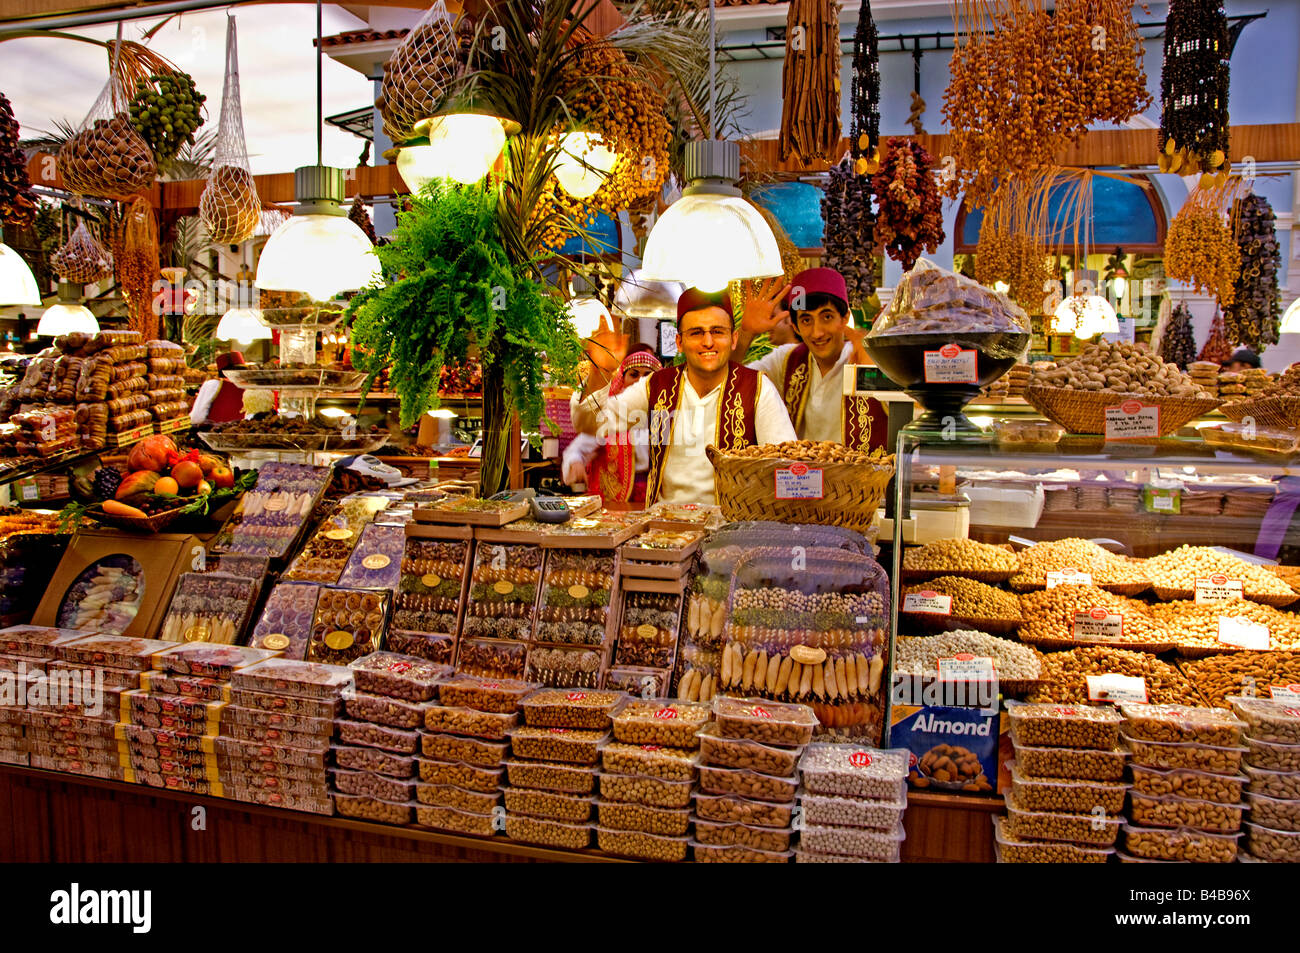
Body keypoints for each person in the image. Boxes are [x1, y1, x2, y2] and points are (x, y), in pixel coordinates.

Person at [577, 288, 797, 506]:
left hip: (732, 529)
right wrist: (601, 370)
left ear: (733, 338)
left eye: (718, 331)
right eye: (696, 333)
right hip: (666, 527)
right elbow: (590, 423)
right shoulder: (658, 385)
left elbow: (786, 463)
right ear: (679, 342)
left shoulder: (758, 388)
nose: (708, 341)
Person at [735, 267, 873, 446]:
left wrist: (878, 364)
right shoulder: (786, 360)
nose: (817, 333)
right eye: (806, 320)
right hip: (797, 473)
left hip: (860, 473)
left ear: (845, 317)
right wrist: (746, 333)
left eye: (827, 317)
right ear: (795, 325)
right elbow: (732, 382)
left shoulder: (865, 359)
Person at [562, 346, 662, 504]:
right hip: (613, 505)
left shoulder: (669, 417)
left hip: (657, 501)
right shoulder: (611, 415)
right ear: (623, 379)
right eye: (634, 375)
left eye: (648, 376)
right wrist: (575, 462)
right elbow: (576, 450)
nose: (641, 381)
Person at [190, 351, 247, 425]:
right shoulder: (252, 386)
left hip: (215, 432)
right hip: (244, 432)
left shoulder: (212, 384)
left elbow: (197, 418)